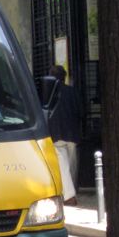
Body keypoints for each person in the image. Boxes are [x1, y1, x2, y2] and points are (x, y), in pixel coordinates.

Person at [47, 65, 82, 206]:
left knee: (63, 165)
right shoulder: (72, 91)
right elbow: (80, 111)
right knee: (72, 164)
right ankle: (72, 190)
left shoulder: (48, 94)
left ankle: (69, 195)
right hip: (72, 133)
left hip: (56, 134)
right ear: (64, 77)